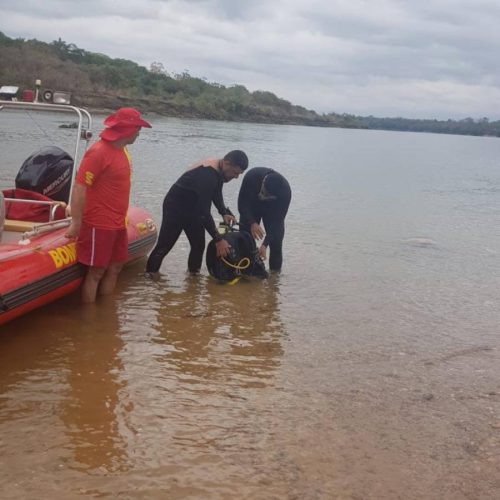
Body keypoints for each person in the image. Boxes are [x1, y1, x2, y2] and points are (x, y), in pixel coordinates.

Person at [65, 107, 152, 302]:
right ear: (128, 129)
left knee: (115, 268)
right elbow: (80, 187)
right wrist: (76, 222)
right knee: (96, 272)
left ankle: (105, 316)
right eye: (138, 128)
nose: (139, 133)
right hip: (99, 223)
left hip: (118, 222)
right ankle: (89, 320)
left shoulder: (123, 151)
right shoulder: (98, 152)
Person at [145, 150, 249, 276]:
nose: (236, 177)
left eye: (239, 174)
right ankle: (150, 278)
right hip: (175, 207)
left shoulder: (219, 168)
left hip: (193, 208)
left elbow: (216, 191)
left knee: (198, 245)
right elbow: (204, 212)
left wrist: (223, 212)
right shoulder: (207, 175)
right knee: (164, 246)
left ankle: (193, 278)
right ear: (227, 163)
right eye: (235, 173)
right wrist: (218, 240)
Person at [238, 167, 291, 272]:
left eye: (267, 196)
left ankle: (274, 280)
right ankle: (245, 273)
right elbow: (241, 205)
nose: (263, 197)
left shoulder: (285, 192)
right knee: (246, 240)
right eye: (263, 192)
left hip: (272, 210)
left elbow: (277, 222)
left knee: (276, 243)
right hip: (251, 206)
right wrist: (252, 222)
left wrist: (264, 245)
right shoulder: (251, 177)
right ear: (263, 182)